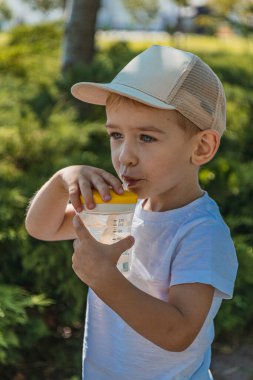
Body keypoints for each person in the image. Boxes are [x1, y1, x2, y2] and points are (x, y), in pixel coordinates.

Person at [25, 45, 238, 380]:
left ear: (201, 147)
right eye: (116, 135)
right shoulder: (120, 205)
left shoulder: (201, 231)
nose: (125, 156)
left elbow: (178, 333)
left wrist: (102, 278)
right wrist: (60, 180)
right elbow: (42, 228)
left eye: (147, 138)